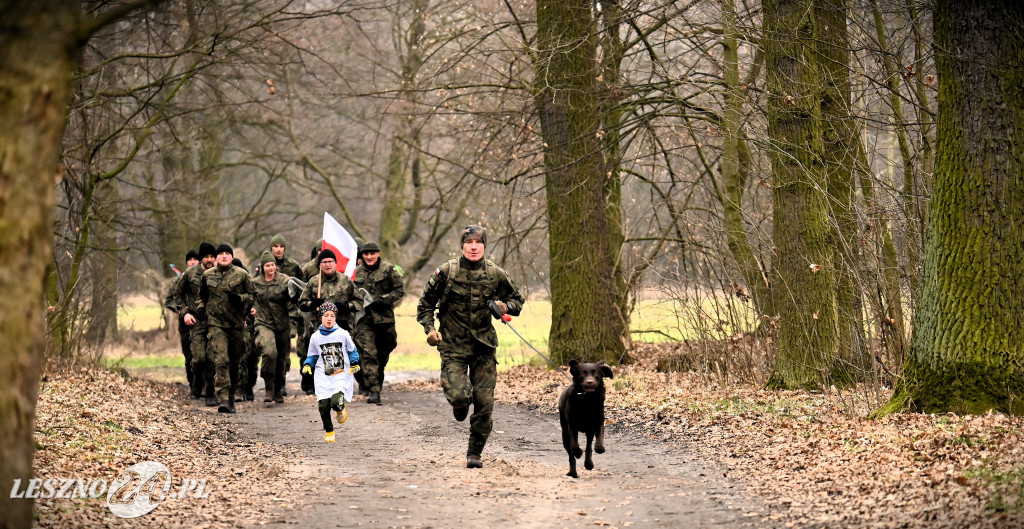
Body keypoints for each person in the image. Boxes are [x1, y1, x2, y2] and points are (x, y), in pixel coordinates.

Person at [416, 225, 524, 468]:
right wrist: (430, 330)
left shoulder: (495, 273)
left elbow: (517, 300)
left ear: (484, 245)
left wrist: (504, 307)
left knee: (484, 404)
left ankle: (474, 453)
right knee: (458, 396)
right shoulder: (446, 272)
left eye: (478, 242)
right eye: (469, 242)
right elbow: (424, 305)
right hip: (453, 346)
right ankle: (460, 402)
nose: (473, 247)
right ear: (462, 245)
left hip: (484, 347)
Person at [197, 243, 256, 414]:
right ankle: (222, 397)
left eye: (227, 254)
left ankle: (231, 396)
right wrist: (201, 308)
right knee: (221, 360)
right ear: (216, 258)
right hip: (216, 324)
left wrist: (240, 299)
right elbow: (201, 296)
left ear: (231, 257)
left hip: (236, 325)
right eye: (220, 254)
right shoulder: (207, 276)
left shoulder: (242, 275)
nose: (224, 256)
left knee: (235, 363)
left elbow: (252, 296)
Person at [298, 248, 363, 398]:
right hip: (321, 328)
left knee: (345, 357)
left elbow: (359, 301)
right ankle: (323, 388)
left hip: (343, 324)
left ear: (335, 263)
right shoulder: (314, 282)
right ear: (319, 264)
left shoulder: (345, 280)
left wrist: (347, 306)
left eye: (330, 262)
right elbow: (302, 303)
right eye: (324, 262)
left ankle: (343, 387)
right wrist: (314, 303)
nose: (327, 265)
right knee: (323, 357)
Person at [352, 241, 405, 405]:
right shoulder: (356, 272)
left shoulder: (389, 270)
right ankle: (374, 390)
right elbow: (351, 293)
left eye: (372, 254)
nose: (369, 257)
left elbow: (399, 290)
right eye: (366, 254)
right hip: (364, 320)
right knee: (369, 354)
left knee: (382, 354)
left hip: (384, 320)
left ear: (378, 254)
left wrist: (385, 300)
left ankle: (378, 373)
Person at [302, 302, 360, 442]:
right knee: (323, 405)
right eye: (326, 315)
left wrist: (354, 363)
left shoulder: (342, 334)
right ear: (320, 317)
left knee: (335, 402)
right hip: (323, 374)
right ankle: (329, 432)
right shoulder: (315, 337)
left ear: (336, 318)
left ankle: (340, 408)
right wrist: (308, 364)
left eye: (332, 316)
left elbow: (353, 350)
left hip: (339, 373)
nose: (329, 318)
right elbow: (313, 354)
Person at [169, 242, 218, 406]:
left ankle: (210, 393)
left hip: (214, 322)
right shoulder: (190, 274)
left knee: (212, 358)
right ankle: (196, 379)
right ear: (201, 258)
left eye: (212, 256)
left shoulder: (219, 274)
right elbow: (177, 295)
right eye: (206, 257)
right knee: (198, 359)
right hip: (195, 322)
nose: (209, 259)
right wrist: (185, 313)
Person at [251, 250, 292, 404]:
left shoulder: (284, 280)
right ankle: (268, 387)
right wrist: (251, 308)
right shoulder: (255, 283)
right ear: (262, 267)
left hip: (282, 324)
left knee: (282, 358)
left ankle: (277, 389)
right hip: (263, 323)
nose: (271, 268)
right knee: (269, 352)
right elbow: (249, 298)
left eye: (273, 265)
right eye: (267, 265)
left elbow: (294, 297)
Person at [165, 249, 199, 397]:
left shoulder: (206, 277)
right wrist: (180, 310)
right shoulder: (180, 279)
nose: (192, 262)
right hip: (184, 324)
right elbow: (169, 300)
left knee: (203, 355)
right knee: (189, 355)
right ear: (186, 263)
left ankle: (202, 385)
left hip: (201, 321)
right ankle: (192, 385)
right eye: (189, 260)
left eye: (195, 259)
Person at [297, 239, 324, 394]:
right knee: (307, 347)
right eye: (320, 251)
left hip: (326, 316)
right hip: (308, 314)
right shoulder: (307, 269)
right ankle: (307, 379)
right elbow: (300, 290)